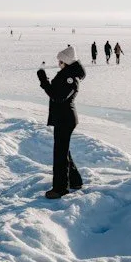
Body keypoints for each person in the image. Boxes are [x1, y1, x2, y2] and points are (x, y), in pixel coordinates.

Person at [37, 46, 86, 199]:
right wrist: (44, 79)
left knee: (60, 154)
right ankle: (75, 181)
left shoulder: (70, 78)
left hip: (65, 119)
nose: (58, 63)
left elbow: (57, 97)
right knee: (63, 151)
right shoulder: (67, 74)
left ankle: (60, 189)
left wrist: (43, 80)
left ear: (66, 61)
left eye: (60, 60)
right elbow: (56, 92)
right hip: (63, 118)